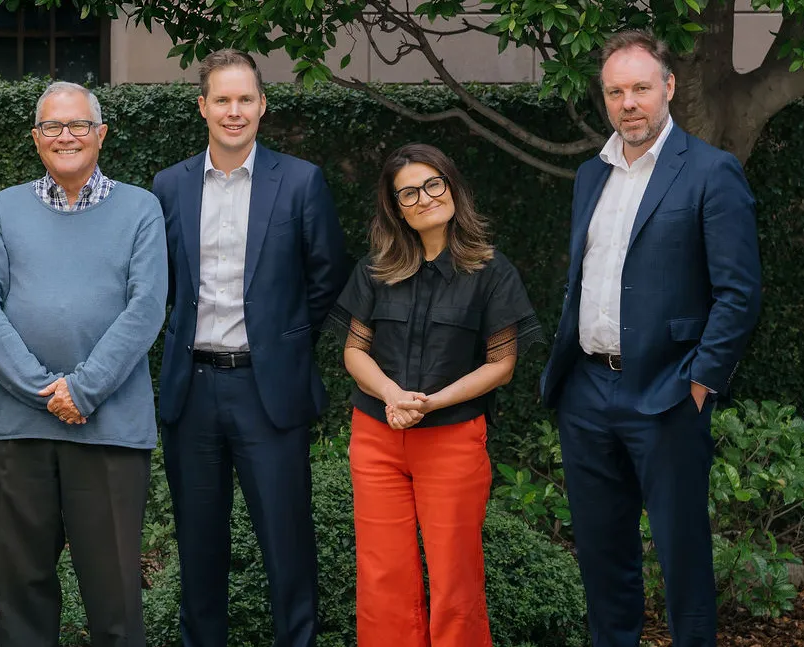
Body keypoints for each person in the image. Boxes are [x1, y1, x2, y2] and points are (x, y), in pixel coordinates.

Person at [540, 30, 762, 647]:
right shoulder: (591, 174)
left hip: (668, 392)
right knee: (602, 556)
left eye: (640, 88)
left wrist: (701, 381)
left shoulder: (711, 172)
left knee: (682, 556)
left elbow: (739, 293)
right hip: (587, 391)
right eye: (616, 92)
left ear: (668, 87)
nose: (628, 103)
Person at [148, 49, 350, 647]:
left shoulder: (301, 181)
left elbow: (327, 279)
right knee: (198, 550)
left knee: (288, 548)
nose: (233, 111)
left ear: (263, 105)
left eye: (244, 99)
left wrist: (284, 342)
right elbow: (159, 283)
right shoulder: (169, 186)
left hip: (269, 391)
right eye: (222, 100)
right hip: (192, 391)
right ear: (202, 107)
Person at [0, 81, 167, 647]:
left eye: (78, 124)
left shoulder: (141, 209)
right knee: (21, 591)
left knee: (114, 596)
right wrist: (44, 390)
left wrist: (83, 390)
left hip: (111, 430)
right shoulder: (5, 208)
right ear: (36, 138)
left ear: (101, 134)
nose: (66, 136)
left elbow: (146, 308)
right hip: (20, 429)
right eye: (52, 126)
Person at [331, 144, 540, 647]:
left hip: (452, 440)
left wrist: (430, 402)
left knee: (454, 577)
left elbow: (502, 365)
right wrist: (392, 395)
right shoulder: (376, 268)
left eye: (432, 184)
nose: (424, 198)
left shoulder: (492, 272)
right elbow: (354, 351)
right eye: (408, 193)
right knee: (383, 576)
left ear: (452, 187)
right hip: (377, 439)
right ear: (396, 207)